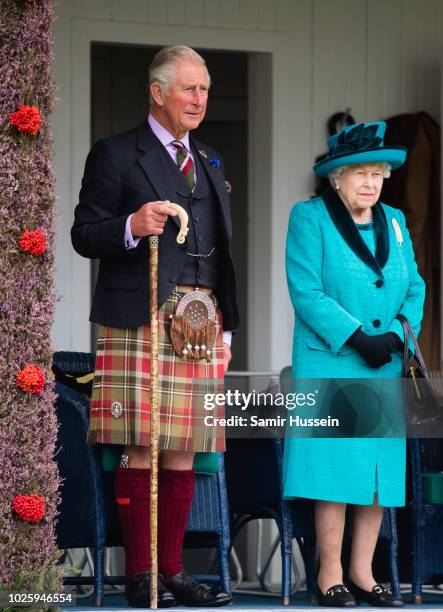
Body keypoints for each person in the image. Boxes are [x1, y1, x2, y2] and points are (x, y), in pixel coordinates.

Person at [71, 45, 238, 608]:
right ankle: (139, 573)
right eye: (189, 88)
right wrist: (129, 225)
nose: (200, 99)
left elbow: (222, 256)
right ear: (157, 92)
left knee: (185, 448)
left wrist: (228, 331)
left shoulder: (211, 162)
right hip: (136, 315)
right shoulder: (117, 154)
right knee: (138, 445)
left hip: (200, 322)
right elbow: (82, 234)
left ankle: (174, 572)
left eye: (205, 89)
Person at [283, 121, 425, 607]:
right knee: (335, 471)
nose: (370, 183)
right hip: (334, 361)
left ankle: (364, 574)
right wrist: (356, 335)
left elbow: (414, 287)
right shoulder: (310, 218)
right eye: (359, 173)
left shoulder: (398, 222)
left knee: (376, 475)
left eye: (378, 174)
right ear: (336, 177)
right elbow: (307, 291)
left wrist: (399, 331)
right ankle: (329, 575)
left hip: (384, 363)